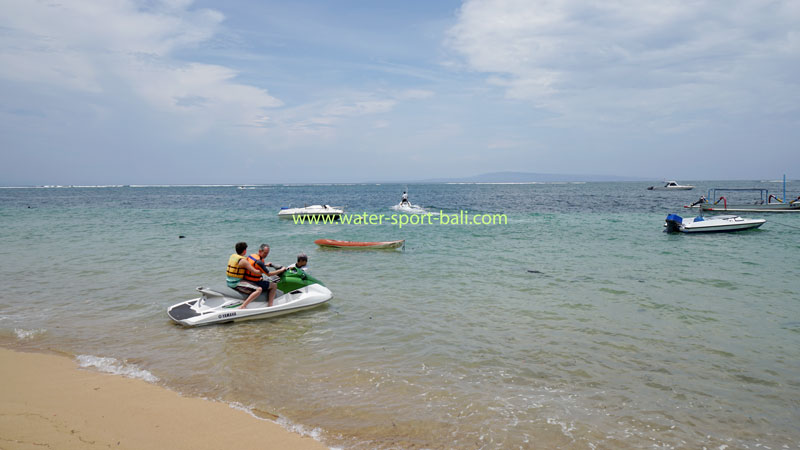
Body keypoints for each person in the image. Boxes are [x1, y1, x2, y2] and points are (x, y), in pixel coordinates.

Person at [226, 242, 266, 309]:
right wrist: (264, 270)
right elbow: (255, 271)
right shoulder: (243, 261)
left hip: (229, 281)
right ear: (244, 250)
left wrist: (265, 265)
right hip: (236, 283)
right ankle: (243, 306)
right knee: (259, 289)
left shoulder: (233, 256)